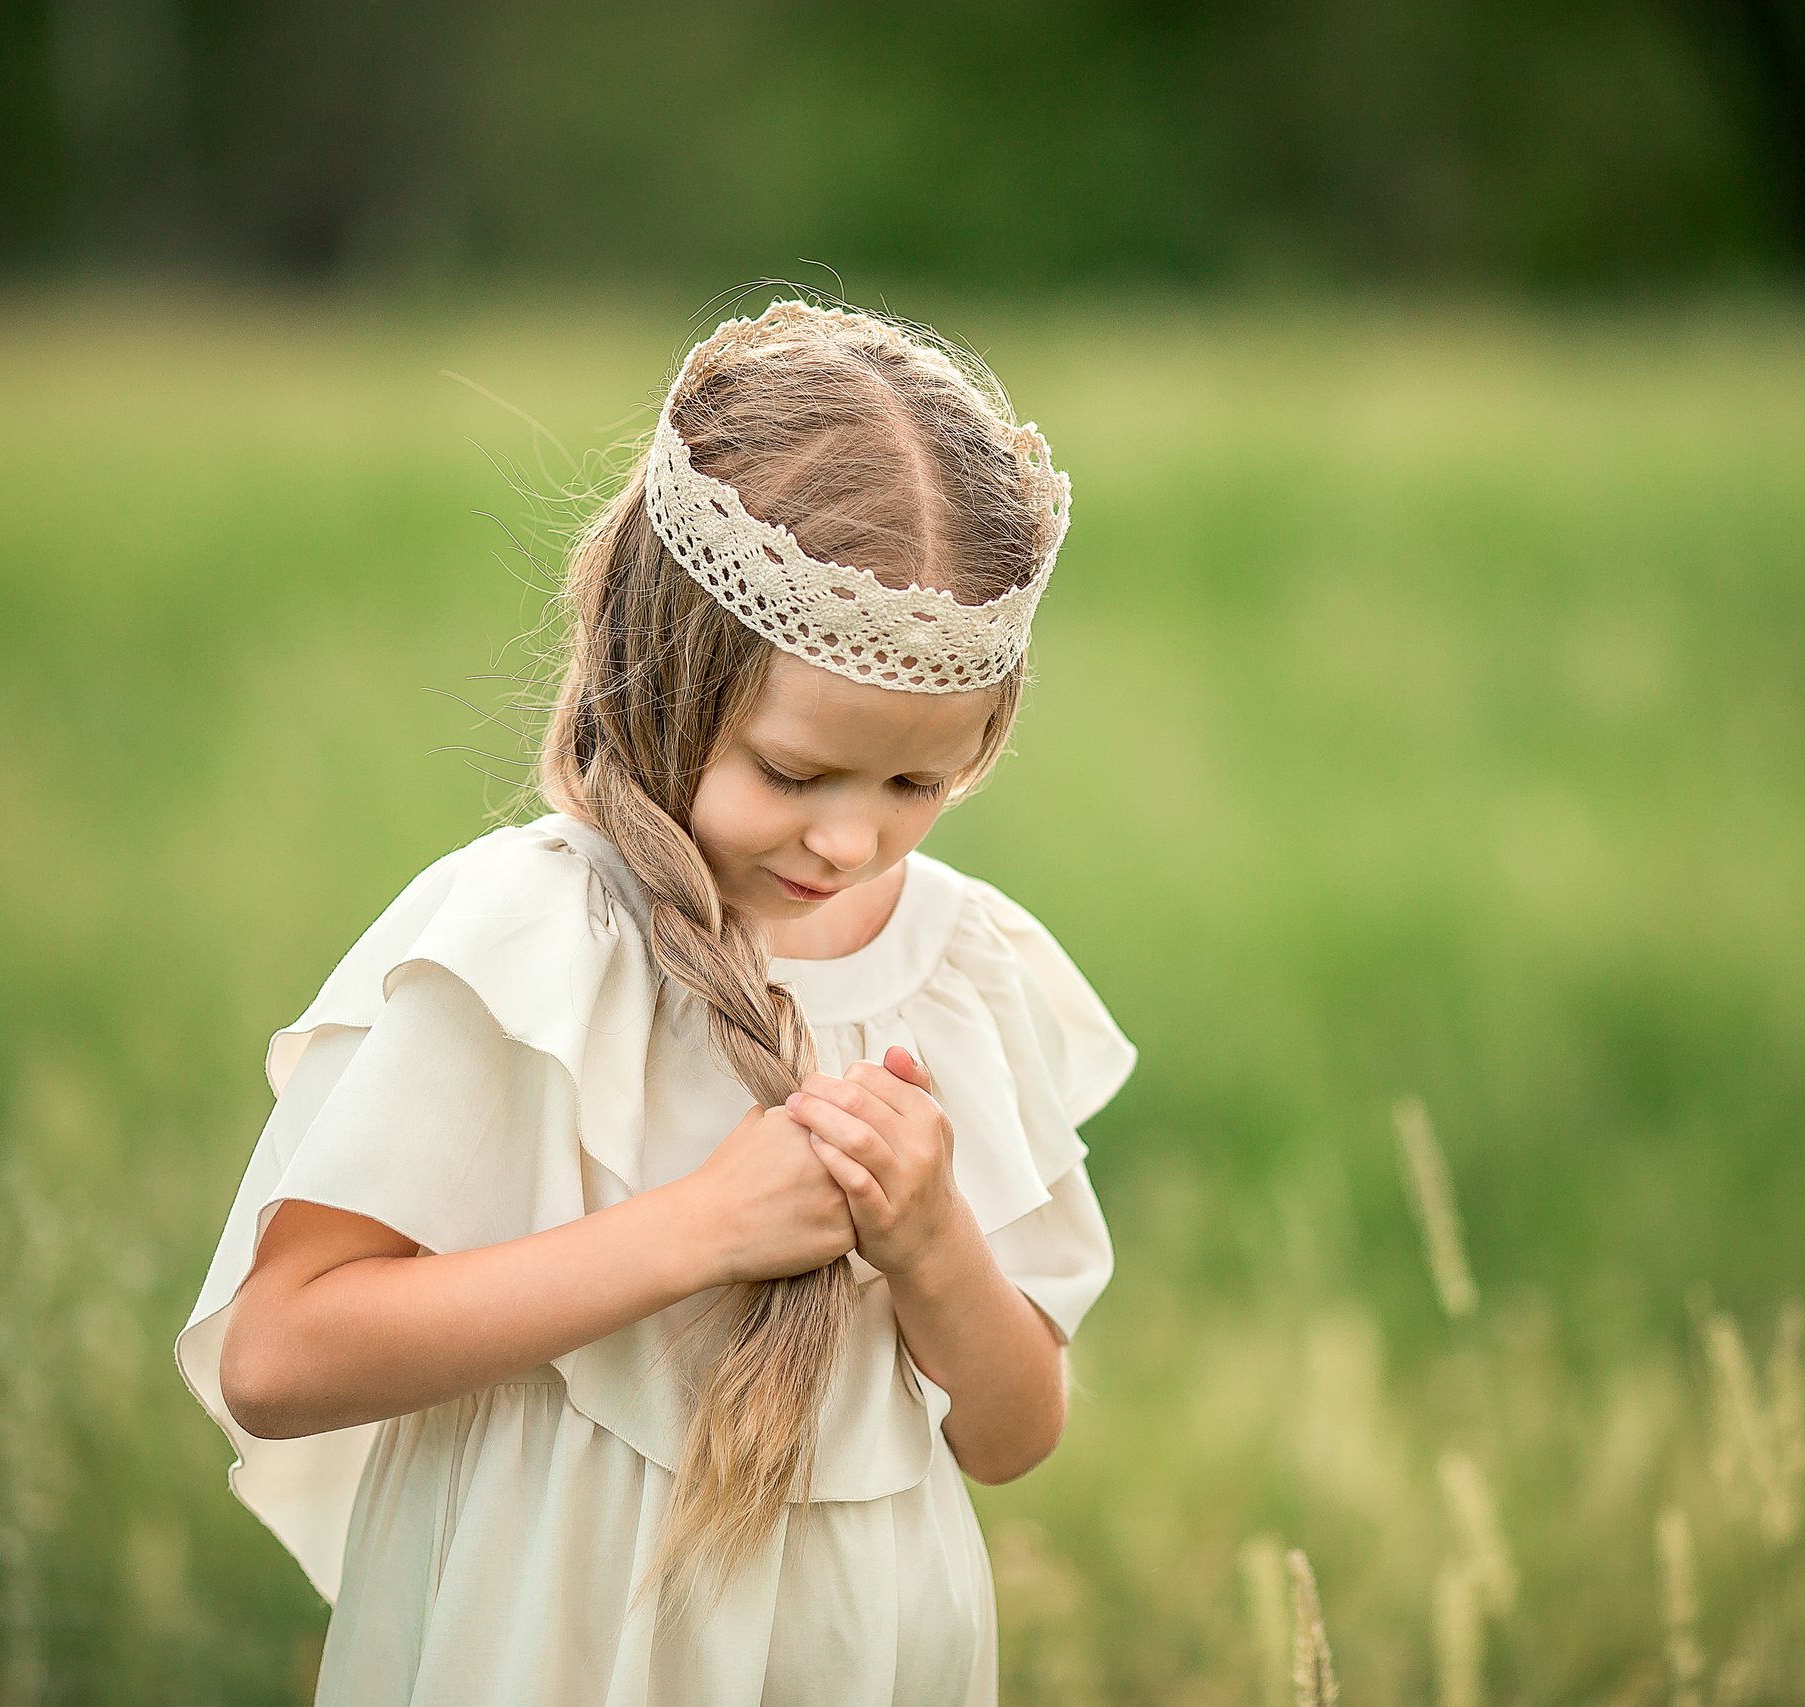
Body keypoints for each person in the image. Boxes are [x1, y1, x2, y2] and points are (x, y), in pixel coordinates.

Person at [175, 299, 1134, 1705]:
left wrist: (932, 1244)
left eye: (917, 787)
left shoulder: (961, 969)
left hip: (866, 1655)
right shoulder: (537, 944)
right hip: (557, 1637)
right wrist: (698, 1229)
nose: (849, 844)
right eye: (796, 776)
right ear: (666, 673)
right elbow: (280, 1354)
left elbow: (1010, 1435)